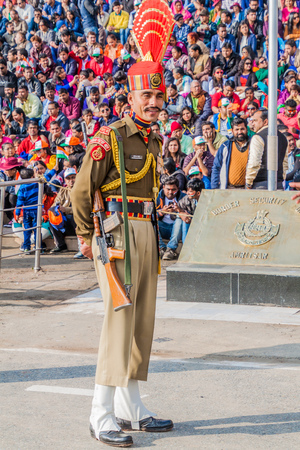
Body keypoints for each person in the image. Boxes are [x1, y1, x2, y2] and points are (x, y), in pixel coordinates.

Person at [71, 12, 173, 442]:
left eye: (158, 97)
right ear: (130, 99)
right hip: (115, 238)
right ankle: (100, 413)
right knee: (119, 321)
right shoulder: (111, 137)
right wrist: (86, 238)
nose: (153, 104)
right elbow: (80, 191)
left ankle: (131, 406)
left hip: (145, 232)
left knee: (141, 323)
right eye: (146, 97)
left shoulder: (152, 138)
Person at [246, 109, 288, 190]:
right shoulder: (283, 137)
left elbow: (254, 163)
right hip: (278, 184)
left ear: (265, 122)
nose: (252, 123)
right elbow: (285, 164)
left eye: (255, 120)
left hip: (260, 184)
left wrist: (248, 182)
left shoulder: (258, 137)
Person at [211, 117, 250, 189]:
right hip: (229, 188)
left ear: (246, 129)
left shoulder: (253, 145)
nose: (239, 132)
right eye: (237, 130)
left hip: (248, 189)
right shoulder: (226, 146)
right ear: (232, 131)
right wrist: (214, 187)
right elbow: (216, 167)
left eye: (242, 129)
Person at [156, 175, 186, 260]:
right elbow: (152, 214)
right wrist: (162, 212)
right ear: (164, 187)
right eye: (168, 189)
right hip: (162, 227)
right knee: (153, 222)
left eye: (173, 190)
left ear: (178, 188)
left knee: (179, 220)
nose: (170, 192)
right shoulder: (158, 196)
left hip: (176, 229)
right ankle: (162, 248)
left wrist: (179, 210)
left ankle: (170, 249)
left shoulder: (183, 197)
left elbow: (188, 215)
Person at [49, 167, 77, 253]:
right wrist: (56, 209)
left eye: (73, 177)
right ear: (65, 180)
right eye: (68, 178)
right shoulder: (63, 190)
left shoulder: (81, 190)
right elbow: (55, 203)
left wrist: (66, 209)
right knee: (53, 219)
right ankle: (60, 245)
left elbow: (81, 208)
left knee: (73, 216)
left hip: (77, 219)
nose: (71, 180)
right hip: (66, 221)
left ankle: (81, 246)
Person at [15, 167, 39, 254]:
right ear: (32, 176)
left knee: (27, 229)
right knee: (37, 229)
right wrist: (54, 170)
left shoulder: (22, 187)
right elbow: (47, 178)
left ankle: (26, 247)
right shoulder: (37, 184)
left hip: (27, 211)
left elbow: (19, 201)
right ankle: (38, 247)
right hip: (37, 210)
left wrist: (17, 213)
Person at [175, 177, 204, 243]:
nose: (187, 193)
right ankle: (184, 245)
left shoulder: (208, 201)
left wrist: (192, 220)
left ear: (198, 193)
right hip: (190, 225)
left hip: (202, 228)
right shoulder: (187, 199)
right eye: (187, 190)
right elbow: (173, 215)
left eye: (190, 191)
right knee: (182, 218)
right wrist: (180, 212)